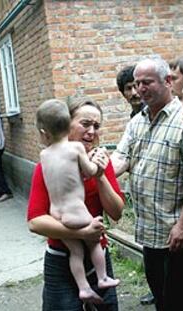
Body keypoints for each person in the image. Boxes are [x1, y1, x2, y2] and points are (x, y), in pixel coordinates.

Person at [111, 55, 183, 311]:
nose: (140, 88)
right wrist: (94, 169)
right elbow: (121, 158)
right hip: (149, 232)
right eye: (137, 83)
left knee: (182, 302)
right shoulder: (137, 121)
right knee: (161, 299)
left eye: (147, 82)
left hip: (177, 235)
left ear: (166, 81)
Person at [28, 97, 124, 310]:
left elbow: (116, 213)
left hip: (98, 257)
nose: (92, 131)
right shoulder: (45, 165)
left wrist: (100, 176)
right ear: (66, 123)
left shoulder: (100, 162)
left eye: (97, 126)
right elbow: (35, 222)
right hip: (60, 260)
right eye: (85, 123)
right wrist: (82, 233)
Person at [116, 65, 155, 306]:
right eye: (128, 88)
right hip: (142, 195)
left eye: (136, 86)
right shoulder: (135, 119)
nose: (134, 92)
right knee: (148, 246)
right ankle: (155, 287)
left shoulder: (156, 112)